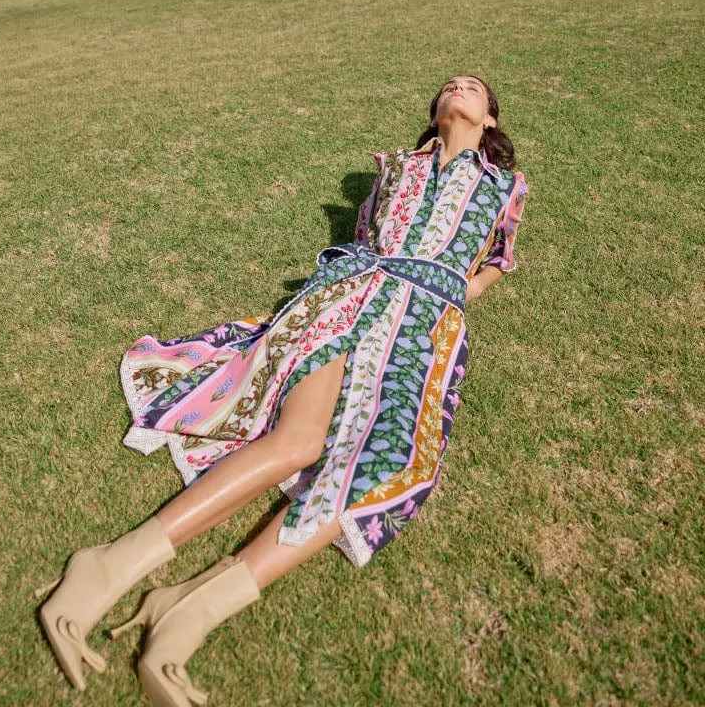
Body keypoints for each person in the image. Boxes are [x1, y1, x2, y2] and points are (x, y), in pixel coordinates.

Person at [38, 75, 529, 707]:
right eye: (449, 86)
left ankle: (187, 614)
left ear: (489, 119)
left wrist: (460, 292)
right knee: (299, 442)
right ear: (436, 113)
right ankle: (107, 565)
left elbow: (499, 258)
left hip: (424, 324)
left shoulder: (503, 186)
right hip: (350, 295)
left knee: (370, 470)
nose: (459, 89)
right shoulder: (399, 167)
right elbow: (365, 234)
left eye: (473, 88)